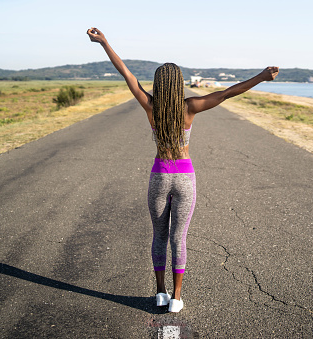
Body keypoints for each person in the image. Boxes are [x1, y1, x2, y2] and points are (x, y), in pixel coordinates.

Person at [87, 27, 279, 312]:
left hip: (159, 177)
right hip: (185, 178)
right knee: (179, 238)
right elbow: (227, 93)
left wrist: (104, 42)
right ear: (179, 84)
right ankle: (176, 298)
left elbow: (127, 75)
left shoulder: (150, 106)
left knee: (159, 236)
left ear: (157, 84)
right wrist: (262, 77)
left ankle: (160, 292)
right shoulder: (190, 107)